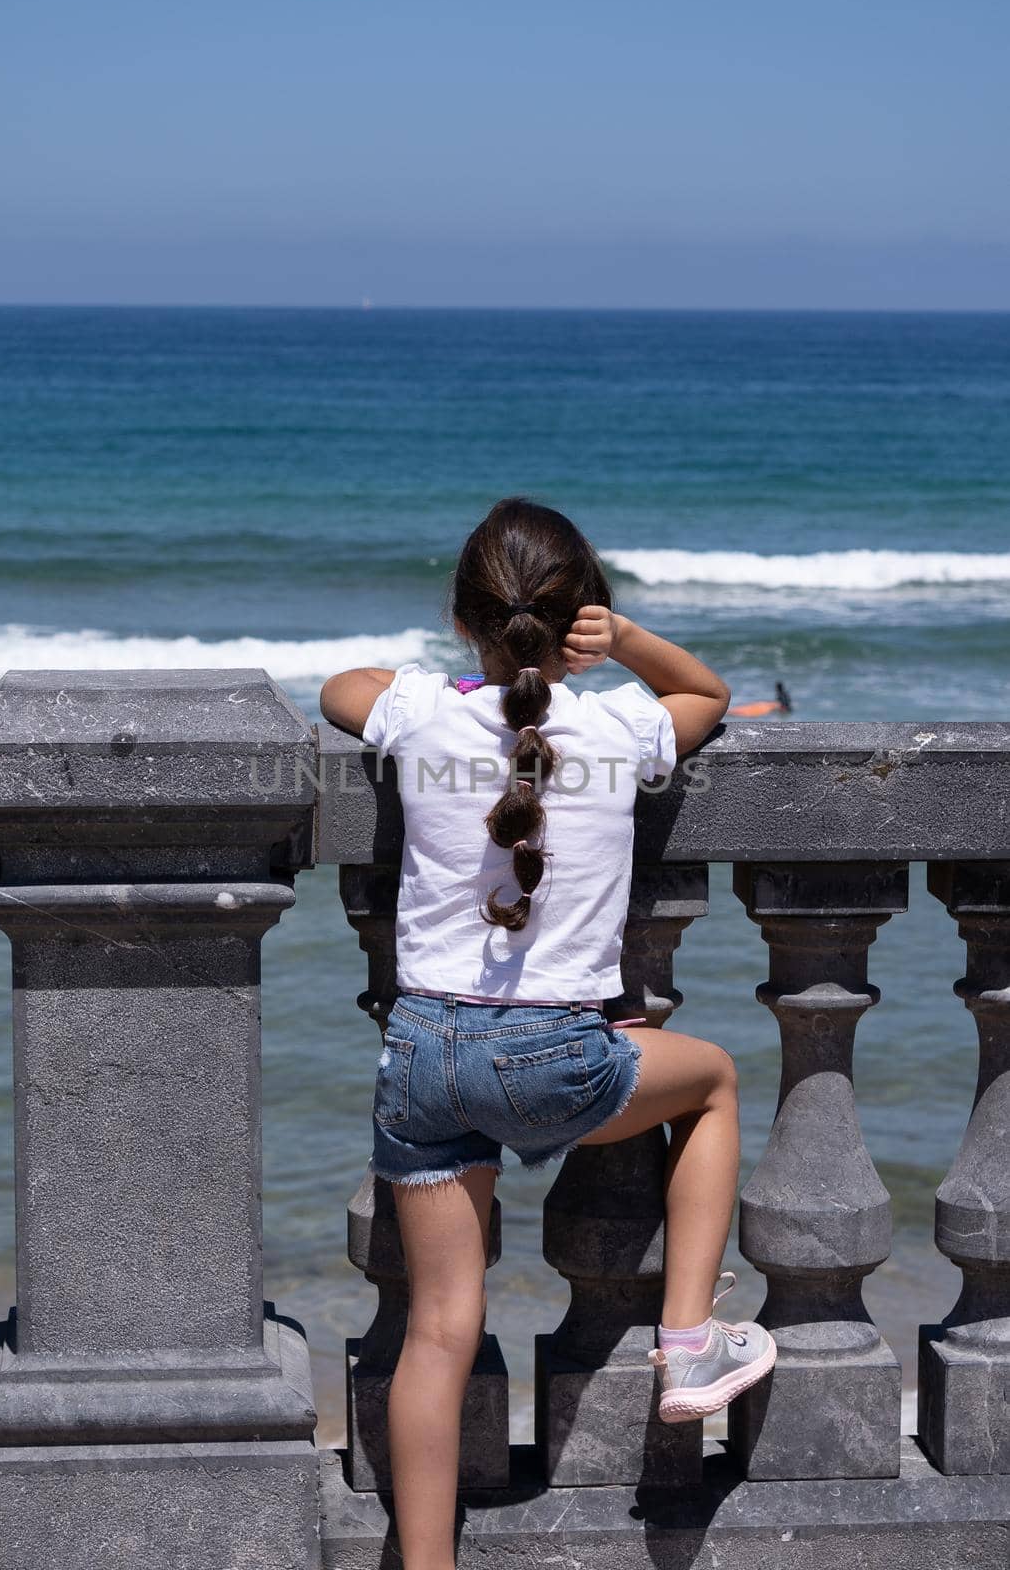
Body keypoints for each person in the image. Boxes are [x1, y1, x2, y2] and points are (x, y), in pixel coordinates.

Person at [320, 498, 775, 1570]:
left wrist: (437, 676)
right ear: (578, 616)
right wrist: (623, 643)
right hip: (559, 1058)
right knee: (710, 1081)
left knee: (436, 1328)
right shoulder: (620, 727)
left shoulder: (423, 713)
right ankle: (686, 1342)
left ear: (465, 618)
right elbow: (702, 692)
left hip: (423, 1053)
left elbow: (338, 690)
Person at [727, 679, 792, 717]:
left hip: (784, 709)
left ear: (778, 688)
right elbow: (788, 701)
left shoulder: (780, 694)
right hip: (788, 709)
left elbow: (780, 703)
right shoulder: (786, 693)